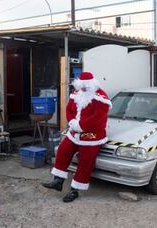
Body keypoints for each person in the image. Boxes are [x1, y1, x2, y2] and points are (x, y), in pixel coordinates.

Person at [42, 71, 111, 202]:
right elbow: (69, 109)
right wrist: (72, 122)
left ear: (92, 85)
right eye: (81, 87)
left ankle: (75, 190)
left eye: (85, 87)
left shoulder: (101, 97)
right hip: (75, 132)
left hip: (92, 136)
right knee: (63, 150)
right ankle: (58, 181)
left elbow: (98, 118)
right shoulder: (77, 93)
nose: (83, 89)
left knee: (85, 162)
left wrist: (81, 125)